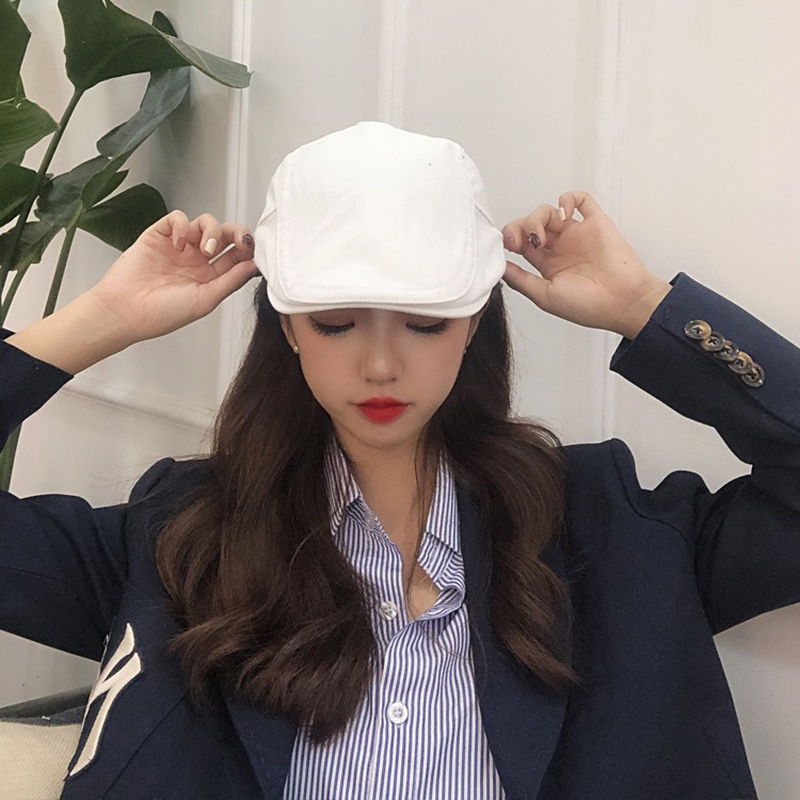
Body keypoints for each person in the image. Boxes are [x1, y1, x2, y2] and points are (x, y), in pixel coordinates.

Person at [0, 121, 797, 800]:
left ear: (475, 319)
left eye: (424, 323)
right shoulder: (181, 538)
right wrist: (102, 318)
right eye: (337, 323)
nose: (380, 366)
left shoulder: (611, 531)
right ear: (287, 326)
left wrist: (643, 308)